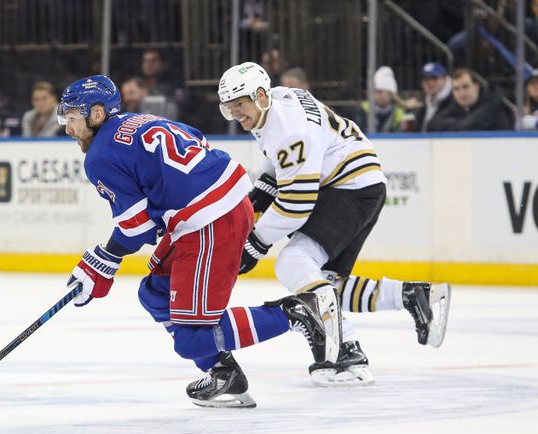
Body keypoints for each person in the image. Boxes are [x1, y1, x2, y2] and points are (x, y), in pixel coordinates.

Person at [58, 75, 338, 408]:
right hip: (217, 207)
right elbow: (196, 143)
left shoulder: (100, 156)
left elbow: (137, 229)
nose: (67, 128)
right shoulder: (142, 120)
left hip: (208, 220)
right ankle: (224, 374)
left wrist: (101, 262)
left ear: (97, 114)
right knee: (155, 293)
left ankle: (297, 311)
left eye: (73, 118)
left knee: (191, 339)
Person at [217, 62, 451, 386]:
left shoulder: (288, 130)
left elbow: (297, 204)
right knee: (323, 284)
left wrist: (254, 244)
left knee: (294, 263)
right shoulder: (279, 99)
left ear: (259, 95)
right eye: (229, 110)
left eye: (239, 106)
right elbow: (281, 156)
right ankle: (411, 295)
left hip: (349, 188)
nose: (237, 115)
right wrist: (263, 190)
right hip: (359, 184)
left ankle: (344, 351)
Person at [427, 68, 513, 131]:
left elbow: (469, 126)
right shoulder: (453, 104)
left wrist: (453, 125)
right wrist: (460, 124)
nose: (461, 93)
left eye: (466, 87)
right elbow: (432, 124)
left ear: (476, 87)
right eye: (456, 89)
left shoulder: (492, 103)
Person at [356, 66, 406, 133]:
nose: (376, 95)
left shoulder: (398, 112)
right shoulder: (362, 110)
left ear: (390, 94)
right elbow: (355, 133)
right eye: (374, 91)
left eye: (380, 91)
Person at [414, 62, 454, 132]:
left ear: (444, 78)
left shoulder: (454, 99)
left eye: (434, 78)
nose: (430, 83)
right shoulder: (425, 101)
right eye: (426, 80)